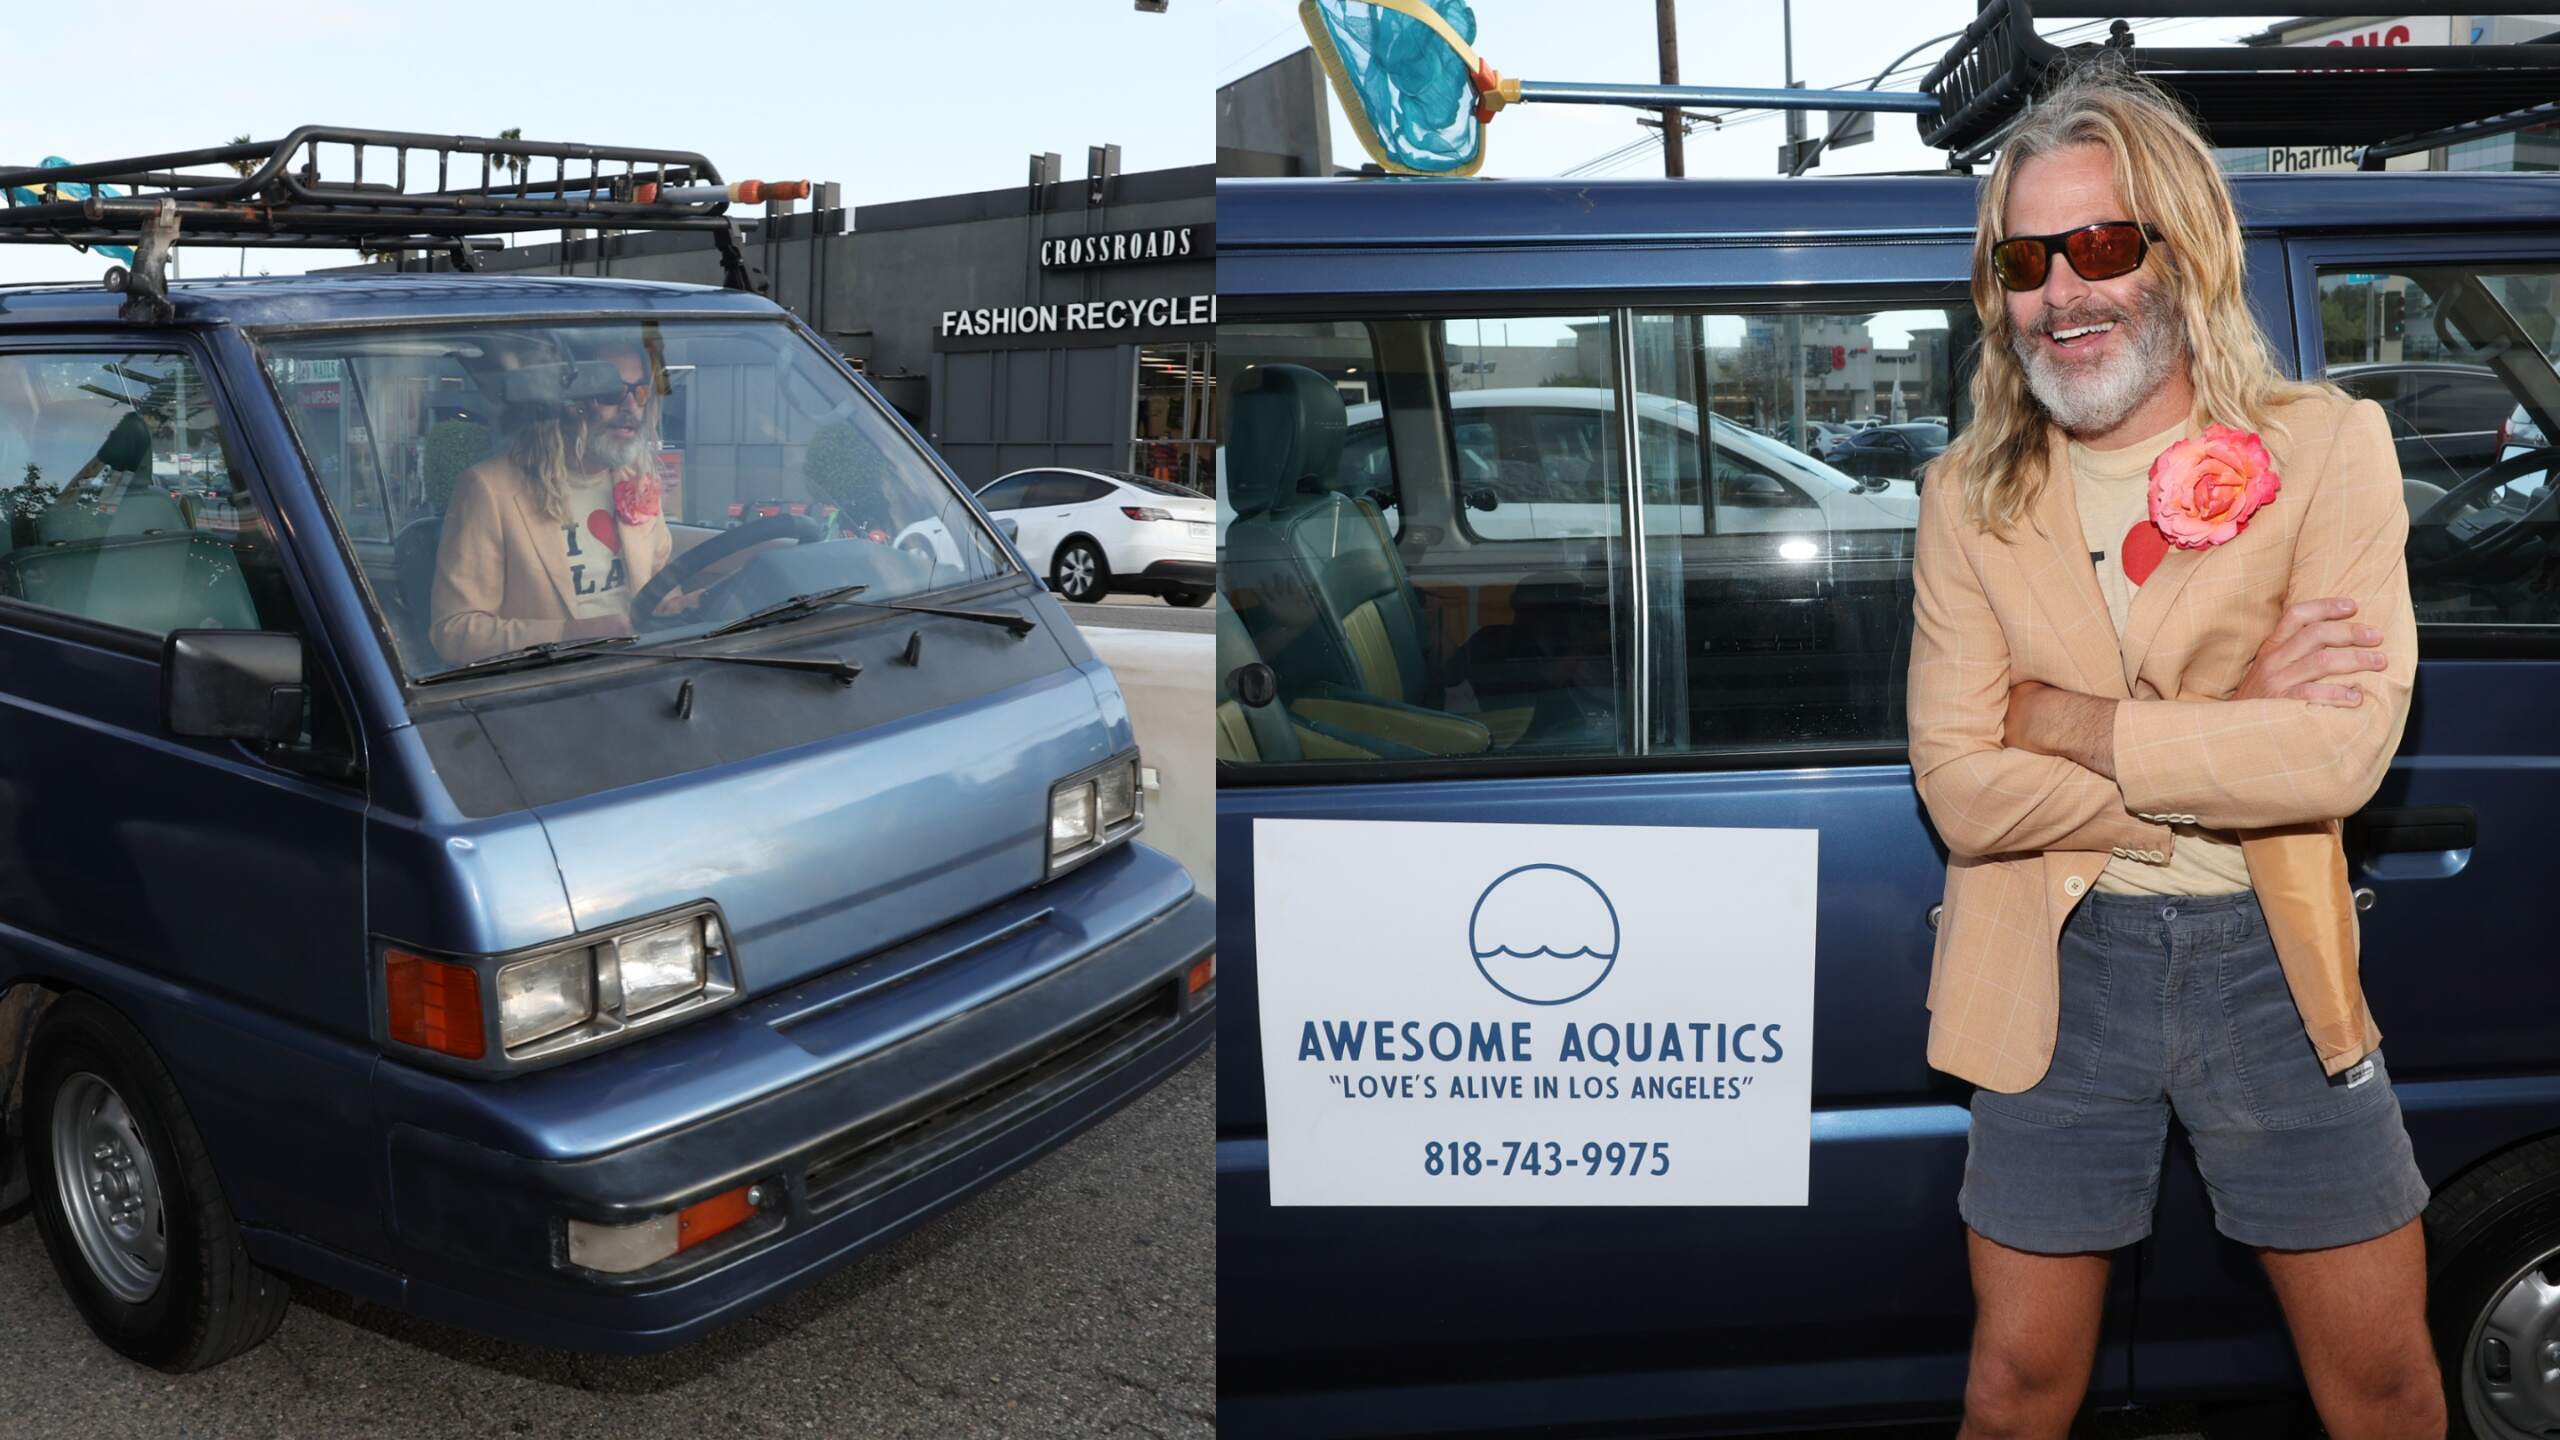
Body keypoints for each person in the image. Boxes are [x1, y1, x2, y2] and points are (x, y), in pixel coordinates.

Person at [1905, 66, 2441, 1439]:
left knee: (2384, 1389)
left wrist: (2073, 723)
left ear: (2183, 253)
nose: (2061, 292)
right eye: (2026, 257)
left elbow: (2337, 763)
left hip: (2277, 967)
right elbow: (1963, 793)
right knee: (2013, 1391)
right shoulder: (1969, 494)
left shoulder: (2325, 451)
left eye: (2100, 244)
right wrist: (2220, 745)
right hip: (2051, 965)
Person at [429, 337, 697, 665]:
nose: (632, 408)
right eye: (611, 392)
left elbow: (660, 597)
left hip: (640, 676)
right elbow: (456, 633)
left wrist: (686, 607)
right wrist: (569, 635)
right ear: (566, 401)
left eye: (640, 391)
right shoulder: (488, 489)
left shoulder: (637, 482)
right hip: (551, 688)